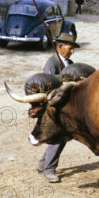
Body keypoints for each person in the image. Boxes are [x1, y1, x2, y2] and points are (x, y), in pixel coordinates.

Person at [39, 33, 80, 182]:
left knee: (62, 137)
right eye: (70, 48)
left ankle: (42, 164)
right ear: (60, 47)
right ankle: (49, 170)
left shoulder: (69, 62)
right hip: (54, 108)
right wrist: (64, 78)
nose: (72, 51)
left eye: (73, 48)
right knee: (57, 137)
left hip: (66, 107)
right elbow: (48, 83)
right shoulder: (52, 63)